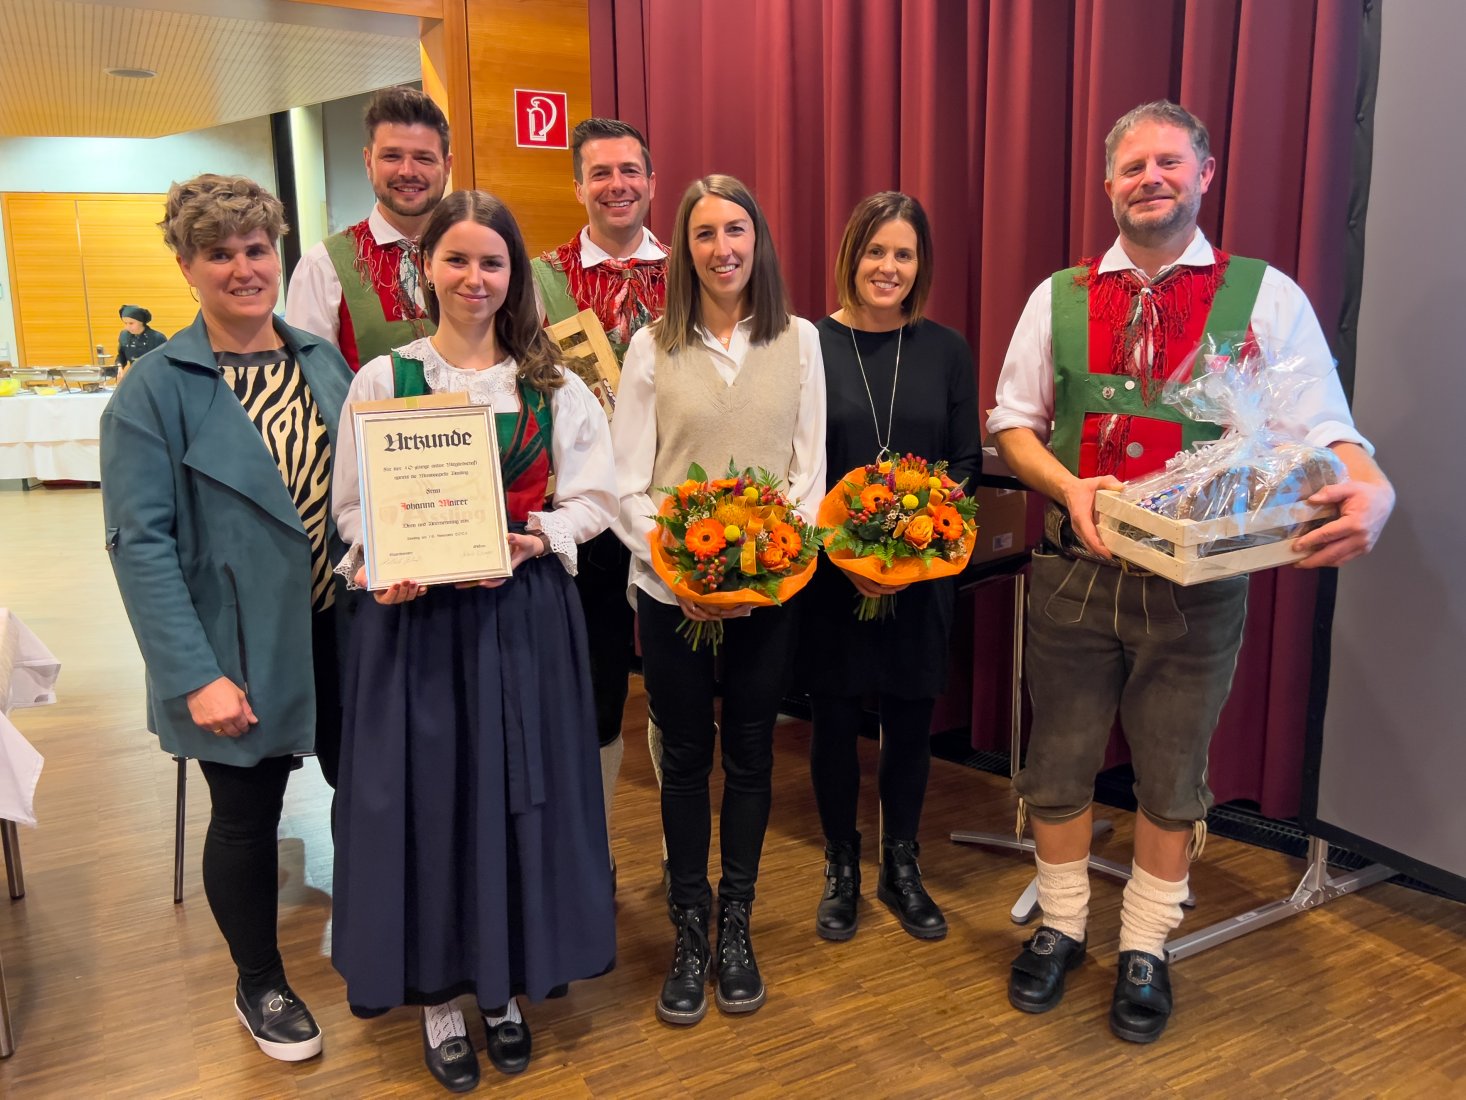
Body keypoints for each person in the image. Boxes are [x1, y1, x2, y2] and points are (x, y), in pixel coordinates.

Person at [989, 100, 1395, 1044]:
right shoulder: (1057, 297)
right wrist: (1067, 485)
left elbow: (1322, 425)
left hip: (1198, 589)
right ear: (1108, 185)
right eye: (1133, 167)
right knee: (1057, 762)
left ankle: (1146, 943)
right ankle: (1061, 925)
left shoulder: (1268, 296)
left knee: (1173, 776)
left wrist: (1371, 486)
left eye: (1169, 162)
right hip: (1073, 574)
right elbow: (1012, 423)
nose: (1151, 180)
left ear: (1205, 174)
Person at [330, 190, 617, 1090]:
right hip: (416, 626)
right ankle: (442, 999)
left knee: (514, 801)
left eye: (492, 262)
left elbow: (596, 497)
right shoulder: (384, 381)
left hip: (520, 617)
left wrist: (538, 537)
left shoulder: (553, 384)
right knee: (430, 803)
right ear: (427, 269)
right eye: (456, 259)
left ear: (514, 275)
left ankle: (503, 989)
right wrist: (383, 563)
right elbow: (352, 509)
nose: (474, 277)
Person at [99, 174, 352, 1062]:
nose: (244, 268)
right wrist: (194, 675)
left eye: (256, 248)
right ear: (186, 265)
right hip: (232, 646)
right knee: (246, 816)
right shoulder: (152, 391)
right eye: (219, 253)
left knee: (369, 794)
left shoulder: (324, 362)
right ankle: (260, 981)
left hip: (343, 632)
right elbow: (140, 546)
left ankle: (380, 937)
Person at [611, 175, 827, 1025]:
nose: (722, 248)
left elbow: (807, 478)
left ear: (757, 240)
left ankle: (737, 921)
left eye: (736, 230)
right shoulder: (648, 347)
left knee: (750, 755)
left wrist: (758, 570)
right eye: (704, 233)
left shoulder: (800, 341)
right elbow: (627, 484)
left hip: (768, 595)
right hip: (670, 595)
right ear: (685, 249)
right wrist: (681, 574)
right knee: (683, 758)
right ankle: (689, 928)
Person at [799, 192, 981, 943]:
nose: (888, 267)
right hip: (831, 576)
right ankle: (841, 863)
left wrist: (911, 555)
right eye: (876, 251)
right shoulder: (808, 344)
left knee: (910, 721)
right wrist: (847, 552)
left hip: (922, 574)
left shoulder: (947, 349)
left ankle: (900, 864)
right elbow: (799, 467)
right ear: (851, 255)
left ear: (920, 265)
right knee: (836, 719)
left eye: (904, 254)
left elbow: (964, 465)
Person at [531, 117, 669, 879]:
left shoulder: (692, 270)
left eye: (630, 170)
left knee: (678, 694)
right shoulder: (536, 278)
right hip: (583, 519)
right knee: (596, 693)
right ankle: (594, 857)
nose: (617, 185)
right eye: (601, 173)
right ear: (577, 186)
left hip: (671, 511)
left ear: (651, 180)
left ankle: (680, 857)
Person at [285, 86, 451, 373]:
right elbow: (314, 382)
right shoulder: (322, 266)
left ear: (447, 166)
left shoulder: (478, 256)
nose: (407, 171)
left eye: (424, 158)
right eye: (391, 156)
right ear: (368, 162)